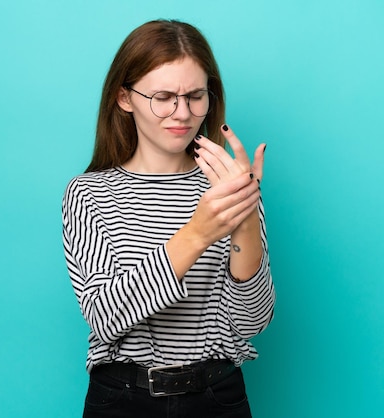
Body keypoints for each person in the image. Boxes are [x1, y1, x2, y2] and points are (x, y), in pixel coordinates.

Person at [62, 19, 275, 418]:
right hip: (123, 399)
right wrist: (197, 233)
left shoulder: (229, 184)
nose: (183, 113)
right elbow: (107, 318)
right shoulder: (89, 194)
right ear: (125, 98)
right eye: (163, 96)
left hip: (218, 396)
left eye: (196, 95)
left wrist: (244, 217)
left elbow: (252, 322)